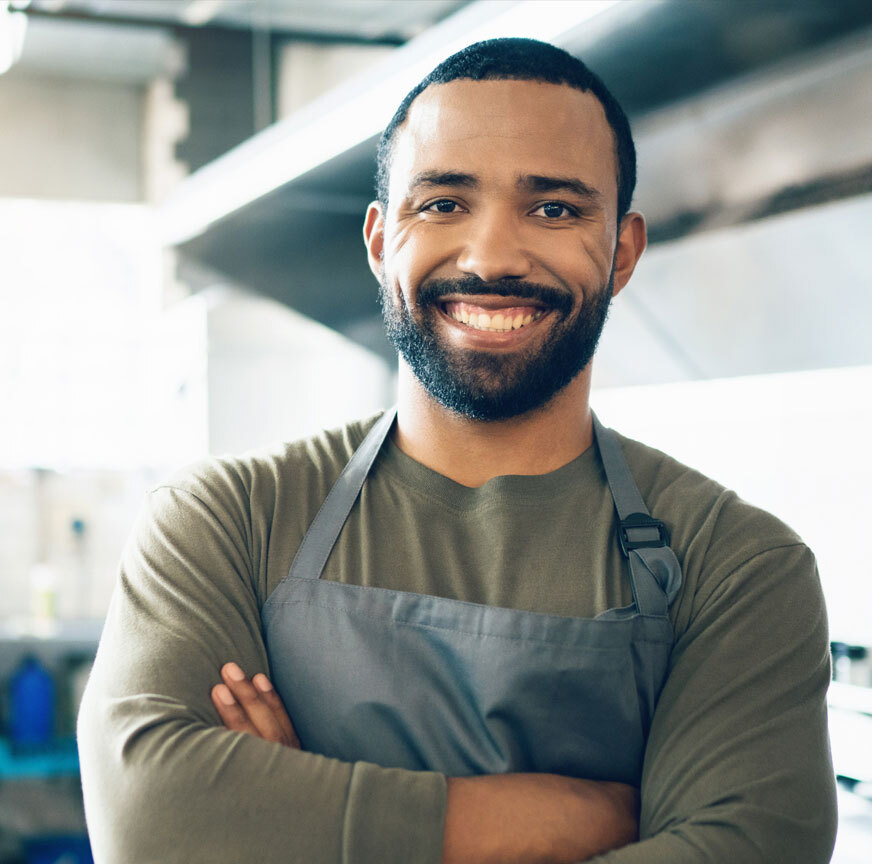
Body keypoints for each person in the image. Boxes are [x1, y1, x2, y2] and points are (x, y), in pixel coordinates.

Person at [77, 38, 837, 863]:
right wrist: (567, 822)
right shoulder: (224, 524)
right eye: (442, 203)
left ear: (622, 252)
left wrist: (299, 817)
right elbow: (152, 822)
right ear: (379, 241)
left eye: (554, 209)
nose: (491, 258)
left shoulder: (740, 570)